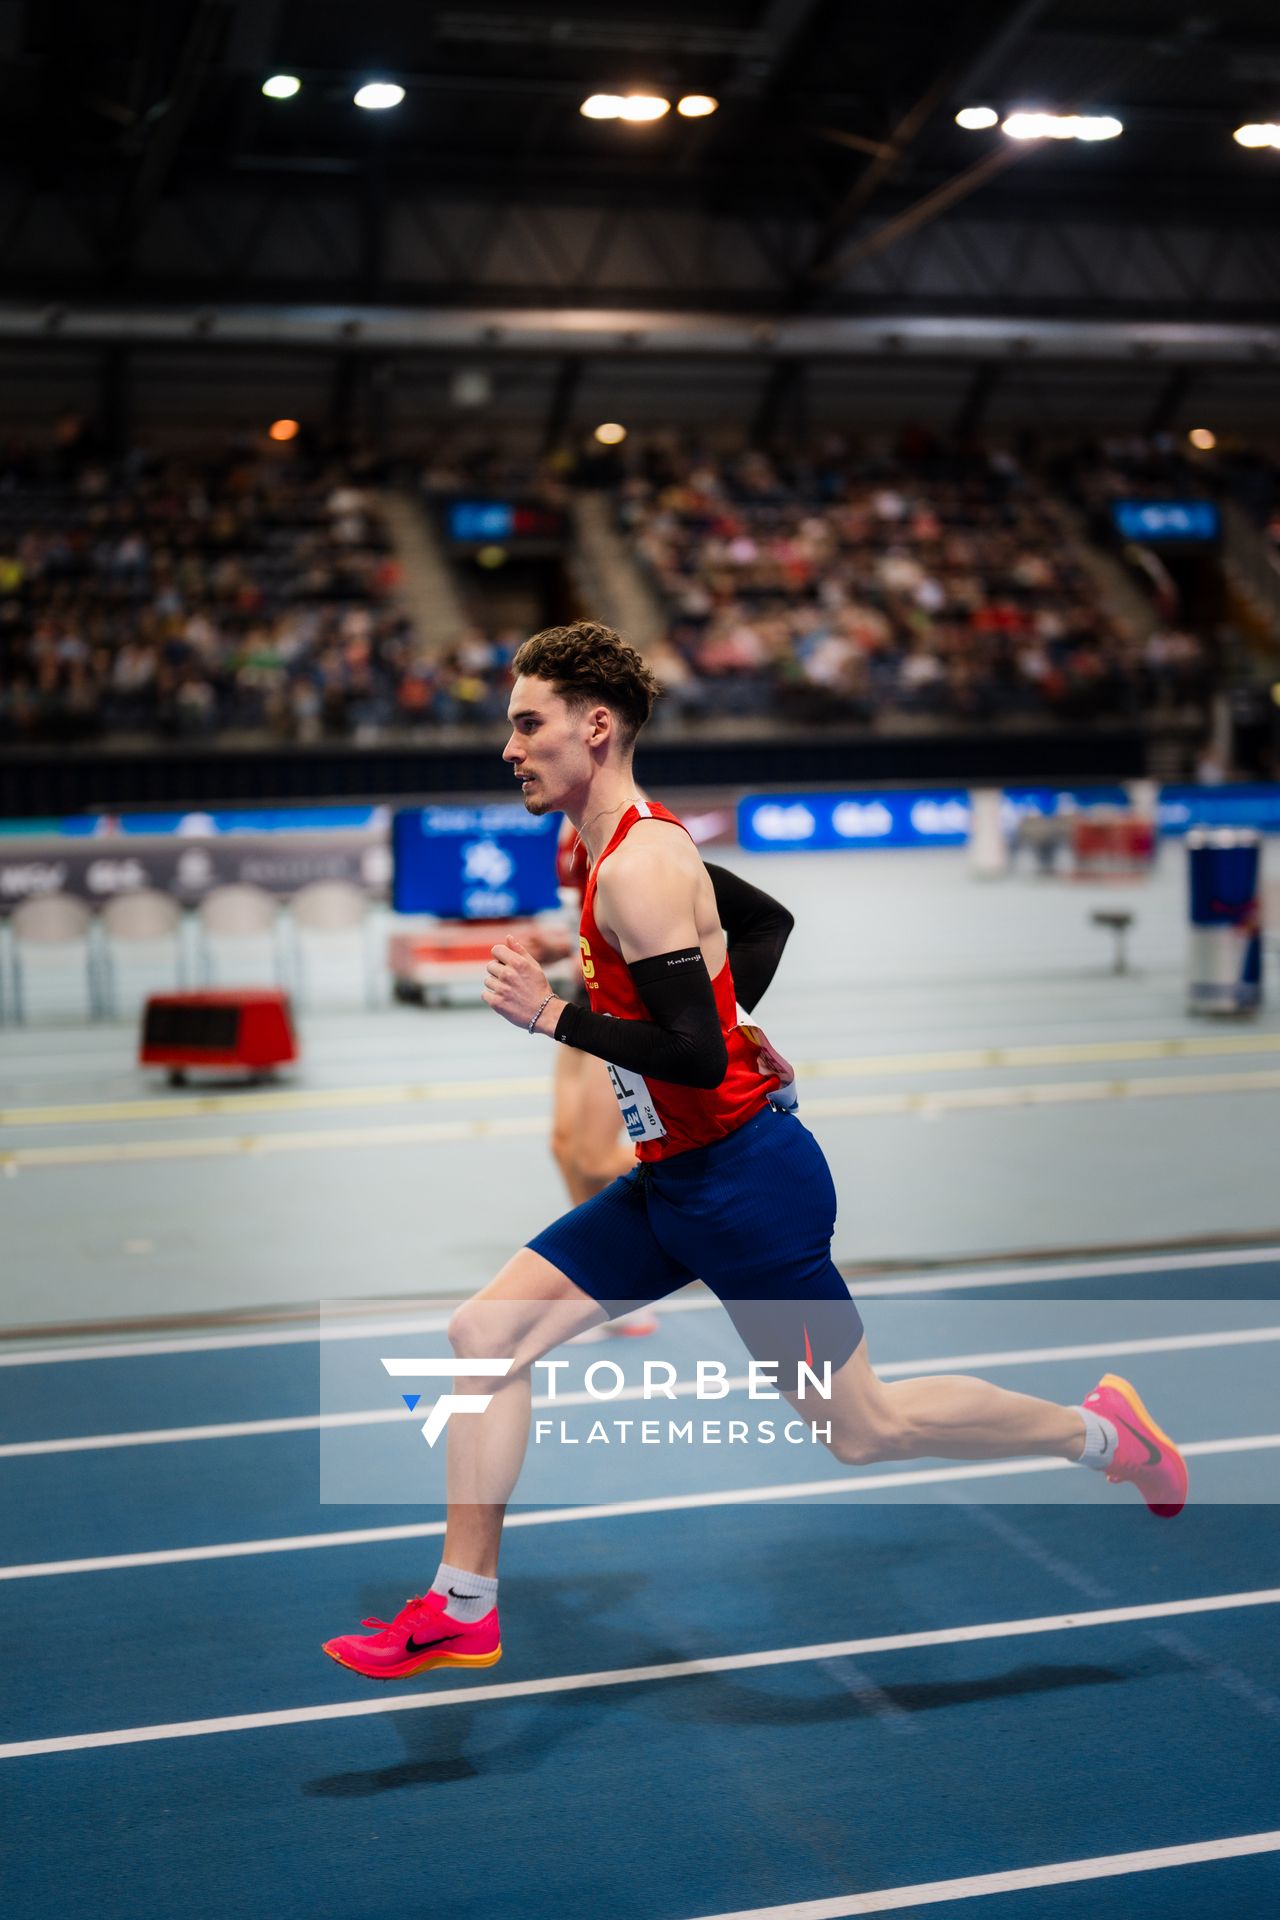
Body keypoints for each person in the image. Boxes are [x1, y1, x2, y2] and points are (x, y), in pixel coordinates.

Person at [323, 620, 1187, 1683]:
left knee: (863, 1431)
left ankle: (1100, 1435)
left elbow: (685, 1053)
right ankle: (463, 1606)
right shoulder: (609, 845)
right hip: (676, 1181)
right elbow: (764, 928)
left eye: (525, 723)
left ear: (594, 728)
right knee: (484, 1334)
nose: (508, 747)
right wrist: (734, 1030)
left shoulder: (640, 863)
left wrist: (555, 1019)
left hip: (743, 1191)